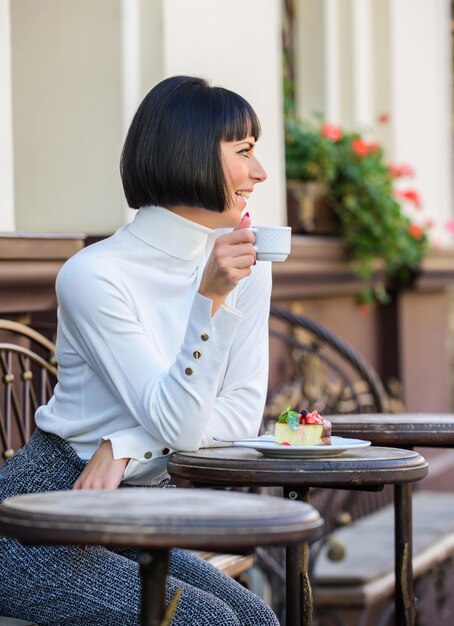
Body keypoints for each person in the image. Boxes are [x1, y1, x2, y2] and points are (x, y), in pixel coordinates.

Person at [0, 75, 278, 625]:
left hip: (131, 505)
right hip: (41, 513)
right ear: (193, 156)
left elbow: (243, 415)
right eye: (244, 153)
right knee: (210, 622)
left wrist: (127, 446)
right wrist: (210, 299)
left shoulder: (247, 266)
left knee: (257, 619)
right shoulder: (95, 275)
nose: (260, 172)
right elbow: (180, 425)